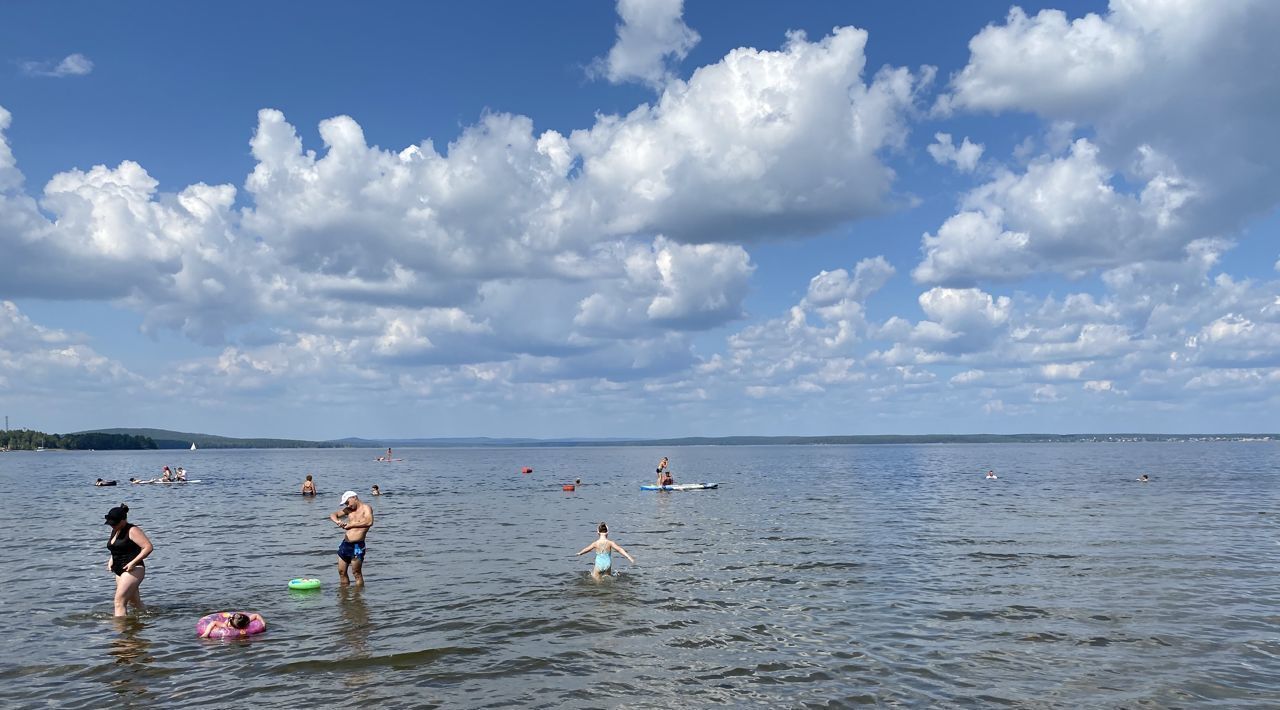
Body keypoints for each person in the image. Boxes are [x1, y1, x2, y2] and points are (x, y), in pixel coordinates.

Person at [104, 504, 153, 617]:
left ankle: (121, 631)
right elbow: (117, 547)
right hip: (119, 570)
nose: (112, 526)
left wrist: (133, 562)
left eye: (114, 523)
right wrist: (111, 559)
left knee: (119, 602)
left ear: (123, 520)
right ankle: (149, 618)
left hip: (133, 569)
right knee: (134, 603)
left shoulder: (132, 530)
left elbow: (148, 547)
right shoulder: (115, 530)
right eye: (111, 524)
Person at [330, 491, 374, 585]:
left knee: (356, 573)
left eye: (347, 502)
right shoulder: (349, 510)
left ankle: (358, 597)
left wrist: (352, 525)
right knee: (341, 572)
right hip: (345, 544)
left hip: (357, 546)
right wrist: (337, 521)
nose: (347, 505)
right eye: (345, 503)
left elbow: (369, 522)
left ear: (354, 498)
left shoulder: (366, 508)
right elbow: (333, 515)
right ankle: (344, 595)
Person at [199, 612, 266, 639]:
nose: (249, 625)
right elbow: (213, 623)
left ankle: (233, 616)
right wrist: (206, 633)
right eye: (248, 625)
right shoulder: (225, 626)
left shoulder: (245, 621)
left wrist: (263, 623)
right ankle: (230, 616)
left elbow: (256, 615)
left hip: (236, 620)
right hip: (230, 620)